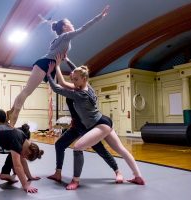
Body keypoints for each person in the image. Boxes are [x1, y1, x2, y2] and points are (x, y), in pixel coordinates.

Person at [46, 56, 145, 186]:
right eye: (73, 79)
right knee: (121, 150)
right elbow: (75, 75)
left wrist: (51, 71)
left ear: (84, 79)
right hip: (103, 121)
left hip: (99, 124)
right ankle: (138, 177)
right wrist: (68, 60)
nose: (74, 82)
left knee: (78, 147)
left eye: (76, 79)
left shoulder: (80, 94)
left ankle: (75, 181)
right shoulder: (87, 87)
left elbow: (58, 88)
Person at [7, 5, 110, 127]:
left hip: (49, 64)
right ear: (65, 27)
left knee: (29, 91)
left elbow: (58, 58)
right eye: (70, 23)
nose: (72, 25)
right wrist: (99, 17)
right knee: (27, 91)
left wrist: (63, 60)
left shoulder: (62, 39)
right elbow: (83, 28)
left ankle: (12, 110)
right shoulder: (65, 36)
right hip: (45, 63)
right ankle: (13, 119)